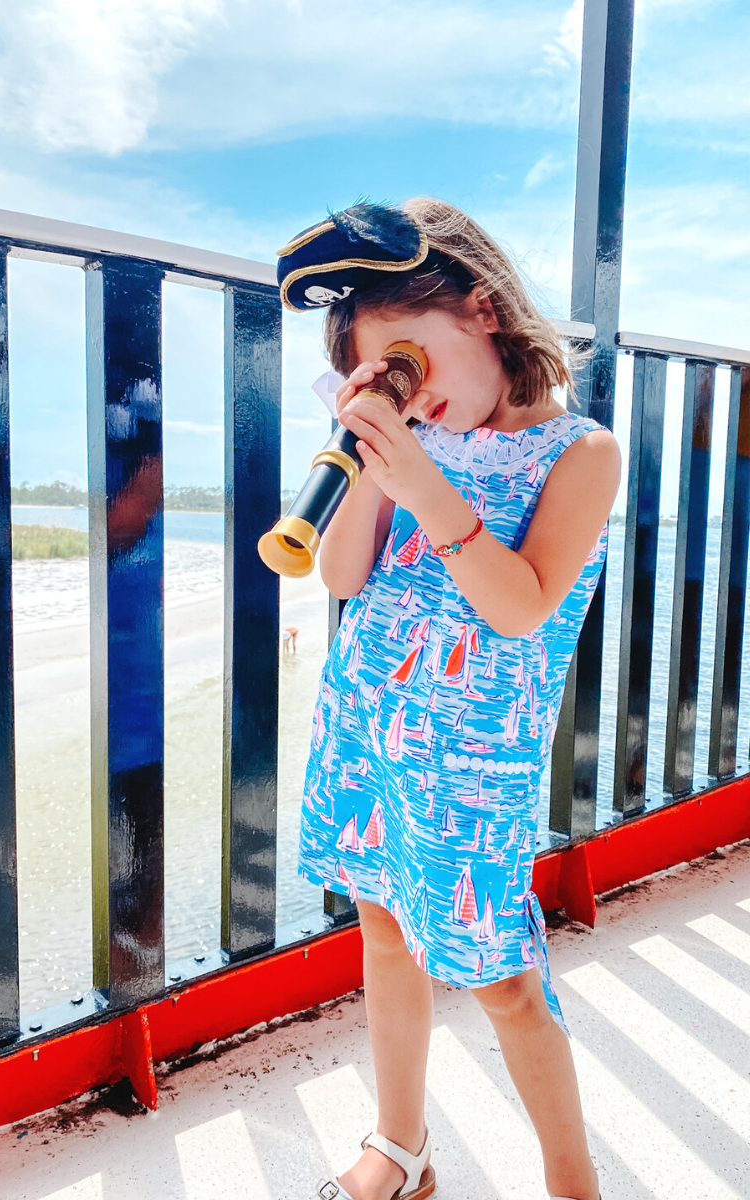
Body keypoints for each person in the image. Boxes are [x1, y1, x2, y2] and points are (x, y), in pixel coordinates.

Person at [283, 199, 619, 1200]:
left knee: (502, 977)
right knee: (381, 924)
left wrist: (423, 478)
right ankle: (400, 1147)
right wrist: (368, 462)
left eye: (409, 364)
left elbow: (518, 608)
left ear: (480, 306)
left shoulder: (577, 452)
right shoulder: (410, 445)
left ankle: (571, 1182)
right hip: (368, 728)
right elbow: (344, 577)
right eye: (379, 377)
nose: (409, 397)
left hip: (474, 756)